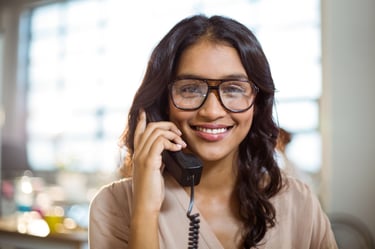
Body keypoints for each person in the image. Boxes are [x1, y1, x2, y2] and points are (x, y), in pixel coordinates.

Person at [89, 15, 338, 249]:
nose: (211, 111)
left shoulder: (298, 201)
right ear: (162, 102)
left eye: (233, 89)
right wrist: (145, 210)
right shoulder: (114, 204)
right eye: (189, 89)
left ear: (257, 102)